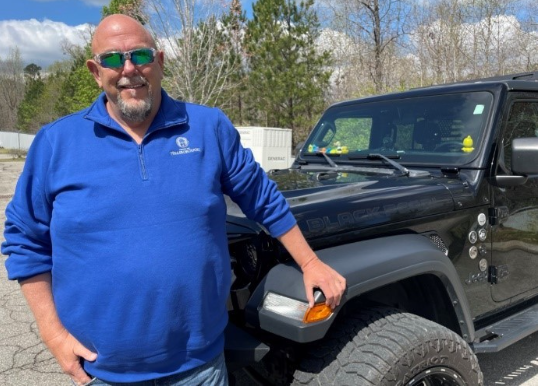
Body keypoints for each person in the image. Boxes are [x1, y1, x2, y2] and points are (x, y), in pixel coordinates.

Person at [1, 14, 346, 386]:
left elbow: (262, 197)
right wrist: (53, 334)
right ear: (95, 71)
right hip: (102, 371)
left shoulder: (208, 127)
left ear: (160, 62)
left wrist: (310, 262)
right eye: (113, 59)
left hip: (200, 367)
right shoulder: (56, 143)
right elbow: (25, 241)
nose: (129, 69)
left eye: (140, 55)